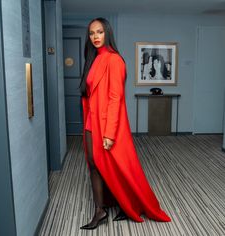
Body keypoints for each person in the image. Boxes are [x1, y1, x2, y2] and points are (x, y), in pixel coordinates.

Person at [79, 17, 171, 230]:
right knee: (94, 163)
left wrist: (109, 133)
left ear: (107, 33)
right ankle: (101, 209)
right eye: (92, 33)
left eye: (99, 32)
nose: (95, 37)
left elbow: (115, 98)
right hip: (91, 121)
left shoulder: (114, 60)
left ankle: (124, 205)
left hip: (107, 125)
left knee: (117, 166)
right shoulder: (93, 59)